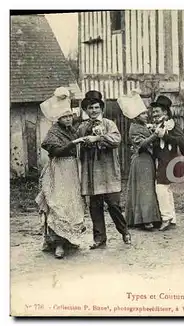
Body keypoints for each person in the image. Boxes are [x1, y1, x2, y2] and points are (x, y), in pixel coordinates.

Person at [35, 87, 87, 259]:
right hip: (58, 169)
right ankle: (57, 243)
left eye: (70, 116)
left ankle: (69, 239)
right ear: (58, 118)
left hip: (72, 169)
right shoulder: (54, 132)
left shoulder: (72, 130)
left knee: (73, 203)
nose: (68, 119)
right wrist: (74, 143)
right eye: (64, 117)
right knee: (59, 204)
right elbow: (56, 151)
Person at [77, 90, 131, 249]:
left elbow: (116, 140)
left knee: (114, 205)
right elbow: (78, 141)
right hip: (92, 173)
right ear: (86, 110)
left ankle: (124, 231)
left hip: (108, 171)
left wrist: (99, 138)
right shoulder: (82, 126)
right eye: (89, 108)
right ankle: (100, 238)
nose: (93, 111)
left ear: (101, 108)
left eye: (95, 107)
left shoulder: (109, 124)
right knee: (95, 206)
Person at [120, 95, 162, 230]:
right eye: (142, 114)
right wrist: (155, 135)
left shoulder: (142, 125)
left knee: (148, 188)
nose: (146, 115)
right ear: (136, 116)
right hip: (141, 160)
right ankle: (146, 219)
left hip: (147, 160)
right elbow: (142, 144)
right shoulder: (134, 128)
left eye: (145, 113)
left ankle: (149, 217)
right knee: (144, 189)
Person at [151, 95, 184, 231]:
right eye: (153, 112)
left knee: (161, 188)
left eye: (157, 111)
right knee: (166, 188)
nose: (154, 114)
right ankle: (172, 217)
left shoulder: (172, 124)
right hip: (162, 160)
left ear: (165, 111)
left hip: (168, 160)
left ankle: (166, 217)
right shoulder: (160, 124)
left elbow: (181, 141)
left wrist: (164, 136)